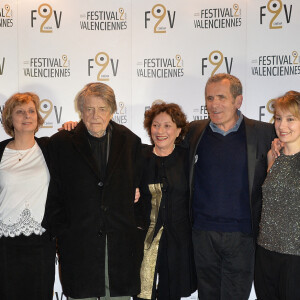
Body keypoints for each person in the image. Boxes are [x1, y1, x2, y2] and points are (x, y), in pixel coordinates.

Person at [42, 82, 144, 300]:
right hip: (79, 246)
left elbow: (143, 184)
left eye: (102, 109)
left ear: (112, 111)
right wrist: (63, 230)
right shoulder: (61, 143)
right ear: (81, 110)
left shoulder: (130, 142)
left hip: (120, 249)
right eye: (89, 109)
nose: (95, 115)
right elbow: (53, 191)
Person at [185, 73, 276, 299]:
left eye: (221, 97)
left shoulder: (265, 133)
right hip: (203, 234)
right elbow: (160, 147)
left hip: (243, 235)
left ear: (238, 101)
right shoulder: (193, 131)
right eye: (209, 98)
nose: (214, 104)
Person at [134, 102, 196, 300]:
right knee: (142, 294)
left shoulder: (189, 158)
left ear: (179, 130)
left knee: (173, 294)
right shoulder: (137, 157)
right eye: (155, 125)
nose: (160, 131)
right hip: (144, 242)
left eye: (167, 126)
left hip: (179, 243)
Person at [0, 92, 56, 300]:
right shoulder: (1, 152)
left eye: (31, 111)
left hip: (41, 242)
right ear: (9, 119)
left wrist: (71, 127)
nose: (27, 116)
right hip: (5, 242)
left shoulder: (50, 148)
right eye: (20, 112)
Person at [255, 91, 300, 300]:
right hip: (265, 252)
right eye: (279, 118)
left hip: (295, 257)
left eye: (291, 119)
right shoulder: (273, 155)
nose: (282, 126)